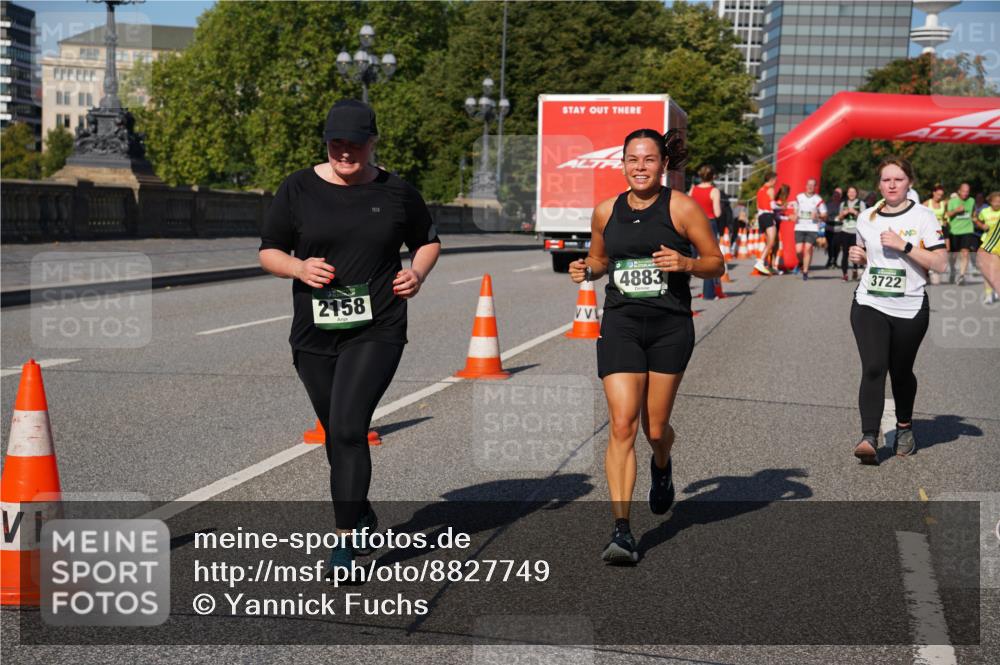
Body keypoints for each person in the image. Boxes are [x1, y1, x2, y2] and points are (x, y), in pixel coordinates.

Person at [258, 99, 441, 576]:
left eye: (354, 144)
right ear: (326, 143)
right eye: (336, 144)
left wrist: (416, 274)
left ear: (372, 142)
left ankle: (344, 542)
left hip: (377, 326)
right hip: (313, 332)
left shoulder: (397, 191)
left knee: (347, 428)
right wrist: (298, 266)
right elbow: (269, 252)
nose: (344, 153)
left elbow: (428, 239)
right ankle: (359, 511)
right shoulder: (297, 188)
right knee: (337, 435)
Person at [569, 129, 723, 564]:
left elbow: (717, 262)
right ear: (622, 163)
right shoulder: (605, 211)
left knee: (655, 429)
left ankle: (662, 462)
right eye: (632, 159)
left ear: (663, 165)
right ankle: (622, 530)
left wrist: (688, 263)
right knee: (622, 424)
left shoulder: (682, 208)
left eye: (649, 160)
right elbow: (601, 259)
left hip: (670, 328)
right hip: (620, 324)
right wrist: (587, 269)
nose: (640, 167)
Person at [847, 157, 947, 463]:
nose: (891, 185)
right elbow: (867, 253)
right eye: (886, 180)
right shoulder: (867, 217)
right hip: (870, 302)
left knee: (901, 372)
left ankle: (904, 427)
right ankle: (869, 437)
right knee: (874, 367)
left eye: (898, 179)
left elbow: (942, 263)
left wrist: (904, 246)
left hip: (910, 306)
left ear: (909, 183)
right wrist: (859, 257)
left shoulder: (924, 217)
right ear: (879, 184)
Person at [689, 165, 723, 299]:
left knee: (690, 257)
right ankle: (709, 293)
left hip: (694, 223)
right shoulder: (714, 191)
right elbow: (717, 212)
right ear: (713, 176)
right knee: (709, 259)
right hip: (709, 223)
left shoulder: (693, 189)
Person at [793, 178, 827, 280]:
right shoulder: (799, 197)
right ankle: (801, 263)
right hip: (799, 226)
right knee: (798, 251)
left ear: (815, 187)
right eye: (809, 184)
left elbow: (825, 215)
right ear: (806, 185)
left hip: (812, 227)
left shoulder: (818, 199)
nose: (810, 187)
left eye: (812, 185)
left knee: (808, 249)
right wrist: (795, 215)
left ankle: (805, 271)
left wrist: (818, 215)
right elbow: (795, 210)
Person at [945, 182, 977, 285]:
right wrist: (956, 210)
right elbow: (947, 215)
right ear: (959, 191)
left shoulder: (972, 200)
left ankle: (962, 276)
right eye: (963, 191)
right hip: (954, 231)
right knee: (953, 256)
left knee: (965, 252)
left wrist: (975, 218)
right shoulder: (953, 201)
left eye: (967, 191)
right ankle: (953, 271)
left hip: (967, 230)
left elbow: (973, 213)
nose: (965, 193)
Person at [837, 185, 866, 281]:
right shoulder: (843, 204)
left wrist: (855, 212)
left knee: (855, 253)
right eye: (850, 192)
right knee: (845, 253)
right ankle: (845, 274)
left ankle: (855, 269)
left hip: (856, 232)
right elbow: (839, 218)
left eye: (853, 192)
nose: (851, 194)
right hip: (845, 231)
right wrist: (843, 214)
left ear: (856, 193)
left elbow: (864, 218)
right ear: (847, 193)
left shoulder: (861, 203)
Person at [976, 191, 1000, 303]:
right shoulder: (984, 211)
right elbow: (976, 220)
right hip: (987, 242)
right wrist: (982, 226)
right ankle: (988, 294)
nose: (998, 203)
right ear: (990, 201)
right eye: (996, 201)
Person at [754, 170, 778, 276]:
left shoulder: (760, 190)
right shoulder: (770, 189)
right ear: (772, 180)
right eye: (775, 180)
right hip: (768, 215)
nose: (776, 183)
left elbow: (757, 205)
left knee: (768, 240)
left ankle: (765, 263)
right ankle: (761, 261)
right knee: (772, 241)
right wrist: (784, 206)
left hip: (761, 215)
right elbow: (773, 206)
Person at [824, 187, 844, 269]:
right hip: (829, 228)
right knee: (830, 245)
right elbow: (825, 215)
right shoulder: (828, 204)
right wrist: (833, 218)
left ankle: (835, 261)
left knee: (837, 246)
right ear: (833, 195)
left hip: (839, 228)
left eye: (838, 195)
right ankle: (830, 260)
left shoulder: (842, 204)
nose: (836, 196)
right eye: (835, 194)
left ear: (841, 196)